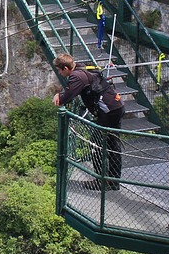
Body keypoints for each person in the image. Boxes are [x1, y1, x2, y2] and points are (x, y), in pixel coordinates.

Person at [52, 53, 124, 189]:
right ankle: (113, 181)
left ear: (66, 68)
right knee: (113, 146)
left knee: (96, 146)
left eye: (60, 70)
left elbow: (65, 98)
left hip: (108, 112)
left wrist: (58, 95)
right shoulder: (82, 68)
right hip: (115, 106)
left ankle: (102, 182)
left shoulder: (76, 77)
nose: (59, 73)